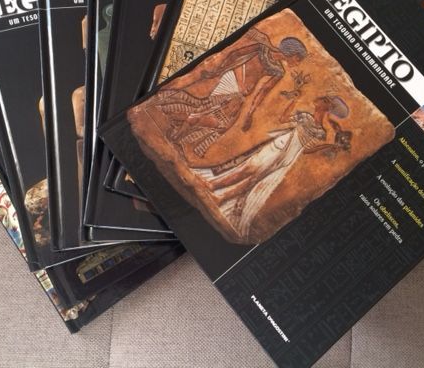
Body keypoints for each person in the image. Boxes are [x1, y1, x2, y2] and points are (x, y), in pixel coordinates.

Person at [192, 95, 352, 240]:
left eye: (324, 99)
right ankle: (214, 186)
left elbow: (307, 149)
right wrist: (293, 100)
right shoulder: (305, 116)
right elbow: (283, 119)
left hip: (289, 155)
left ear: (327, 106)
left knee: (256, 179)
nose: (319, 98)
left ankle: (223, 197)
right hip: (279, 146)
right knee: (249, 168)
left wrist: (328, 146)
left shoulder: (320, 131)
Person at [150, 27, 308, 159]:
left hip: (240, 94)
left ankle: (177, 130)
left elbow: (263, 91)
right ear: (292, 53)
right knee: (214, 116)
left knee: (217, 119)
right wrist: (225, 74)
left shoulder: (279, 71)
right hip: (231, 80)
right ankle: (176, 132)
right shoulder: (262, 48)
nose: (297, 63)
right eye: (298, 59)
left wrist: (250, 113)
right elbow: (236, 55)